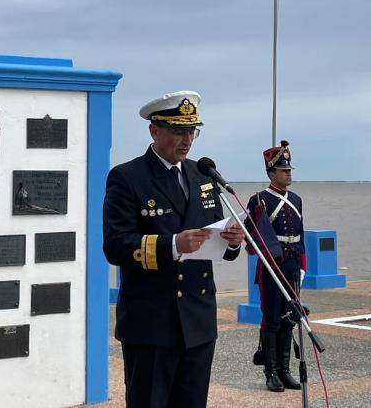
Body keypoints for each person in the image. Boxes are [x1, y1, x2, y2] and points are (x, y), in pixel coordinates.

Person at [103, 90, 244, 408]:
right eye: (179, 131)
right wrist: (172, 245)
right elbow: (115, 246)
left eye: (192, 131)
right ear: (154, 130)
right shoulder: (128, 177)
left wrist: (232, 241)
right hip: (151, 324)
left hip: (198, 323)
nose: (187, 140)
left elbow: (214, 234)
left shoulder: (202, 175)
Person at [245, 140, 306, 393]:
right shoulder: (259, 199)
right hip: (271, 264)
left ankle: (285, 369)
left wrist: (302, 266)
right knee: (271, 317)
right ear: (271, 173)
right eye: (283, 170)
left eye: (289, 169)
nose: (289, 173)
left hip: (291, 263)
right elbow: (250, 238)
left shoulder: (297, 200)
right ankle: (270, 372)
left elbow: (300, 235)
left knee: (289, 317)